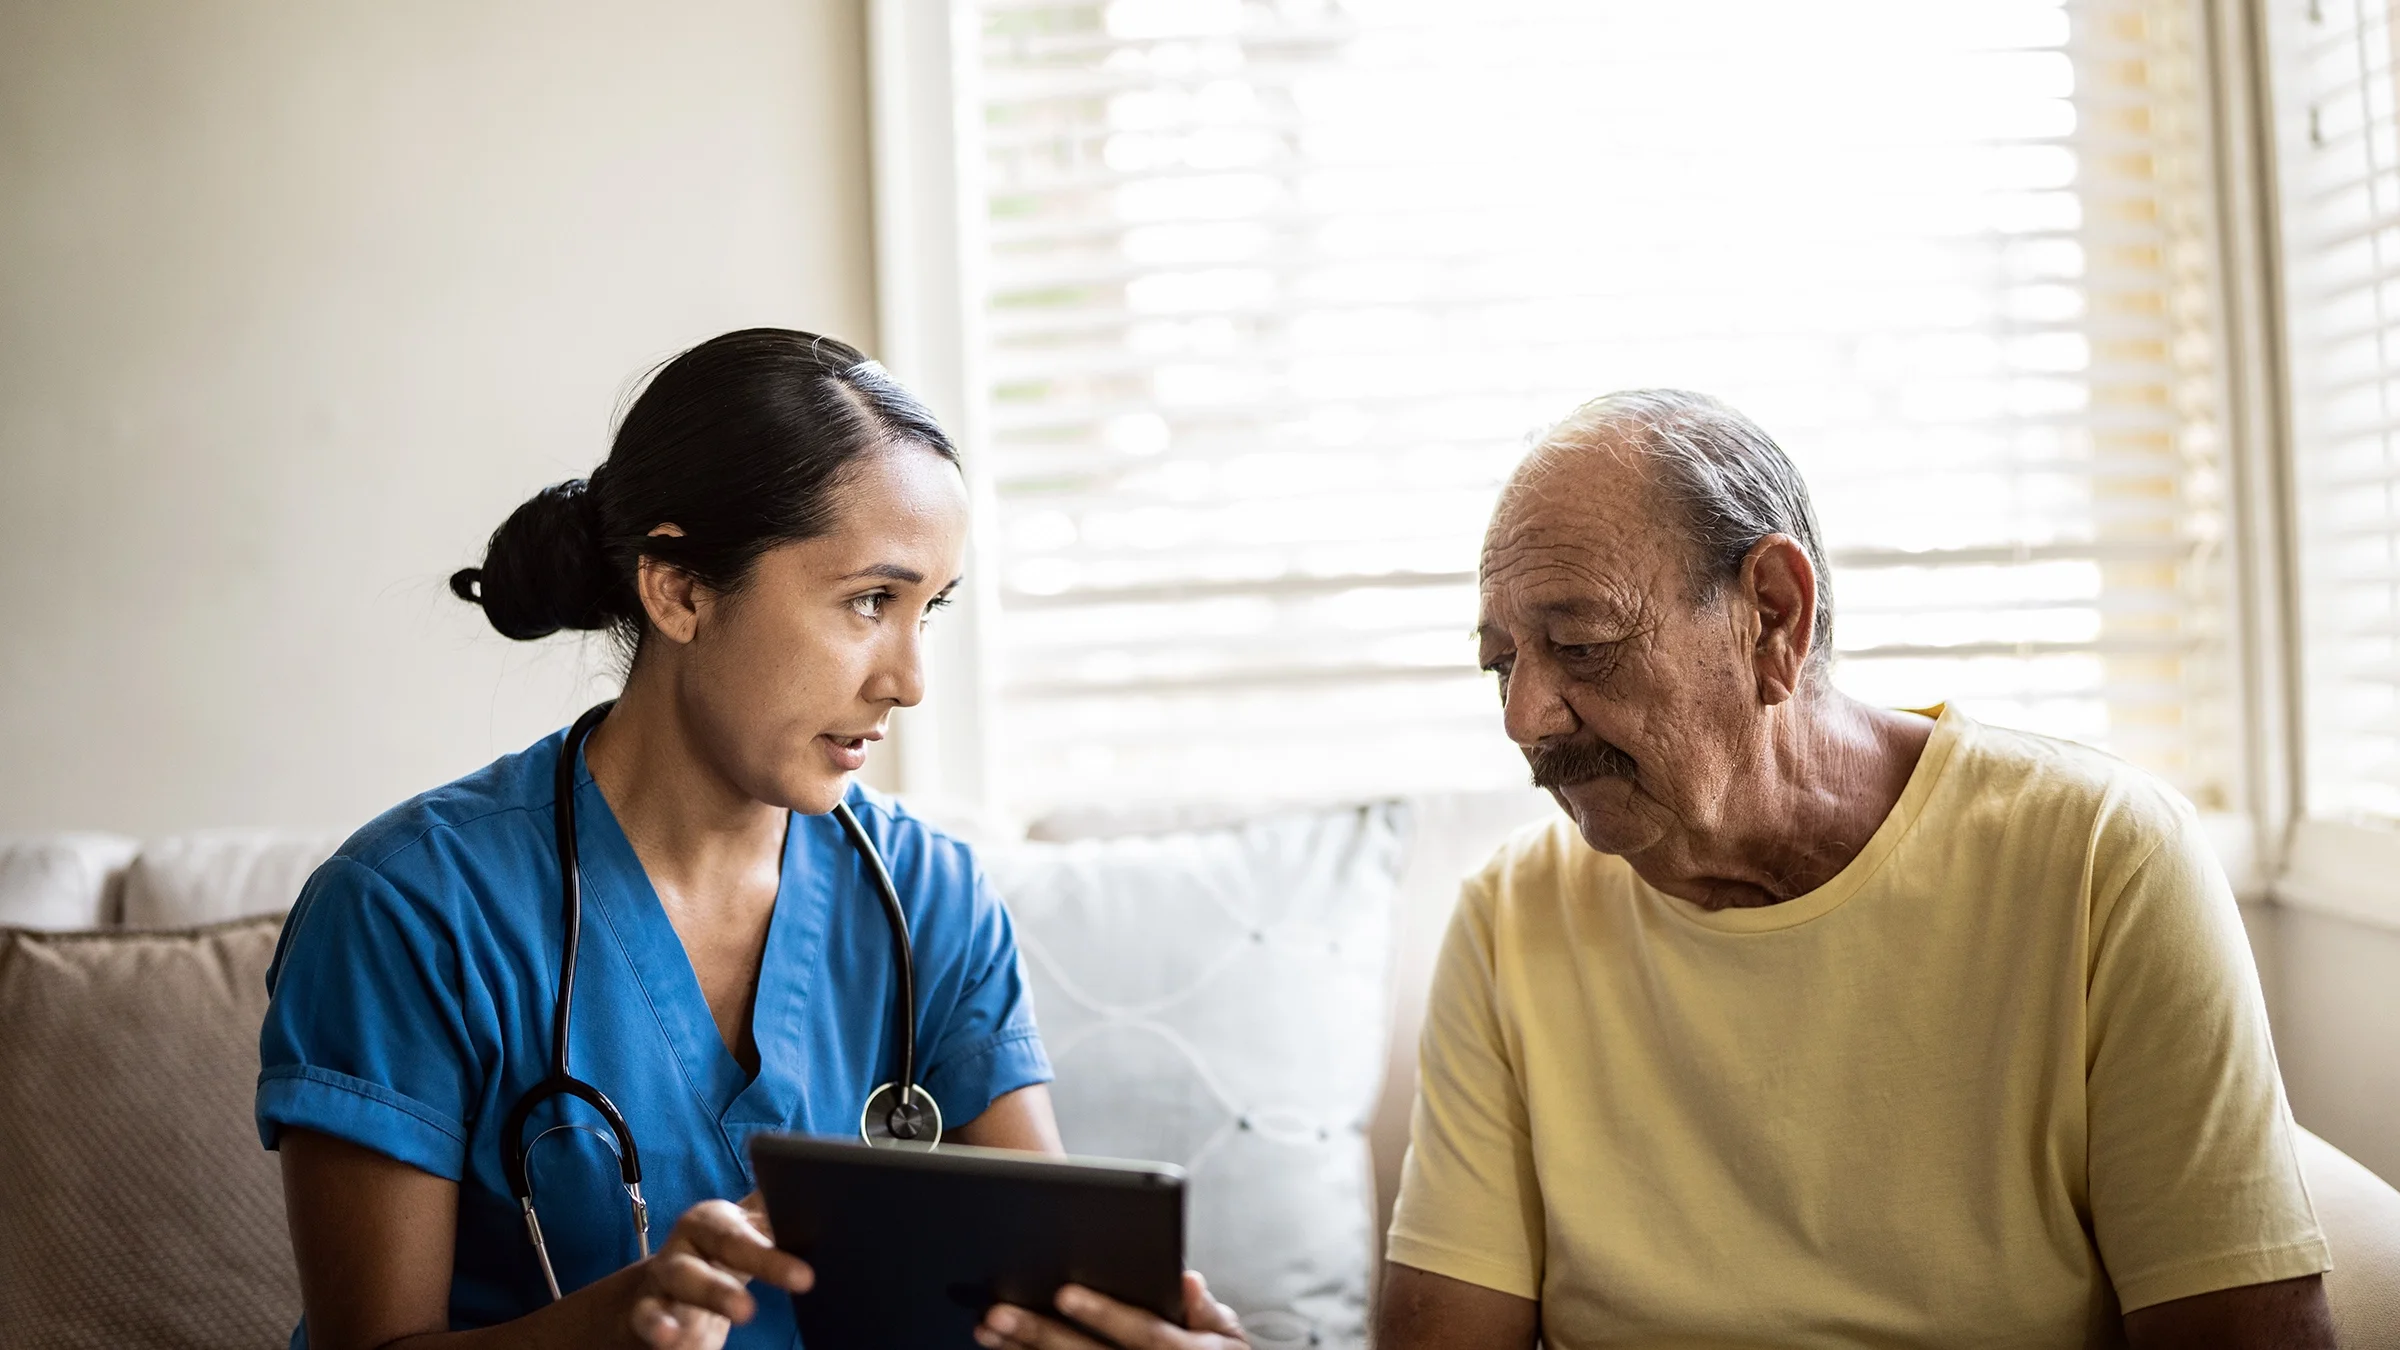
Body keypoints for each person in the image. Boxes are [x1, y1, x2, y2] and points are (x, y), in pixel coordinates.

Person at [258, 329, 1246, 1350]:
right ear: (679, 589)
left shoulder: (931, 899)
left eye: (927, 612)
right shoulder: (407, 911)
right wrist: (606, 1328)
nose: (907, 680)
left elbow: (1045, 1292)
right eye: (870, 601)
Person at [1378, 390, 2337, 1349]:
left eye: (1581, 647)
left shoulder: (2102, 861)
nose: (1525, 718)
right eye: (1502, 665)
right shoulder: (1511, 918)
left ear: (1772, 617)